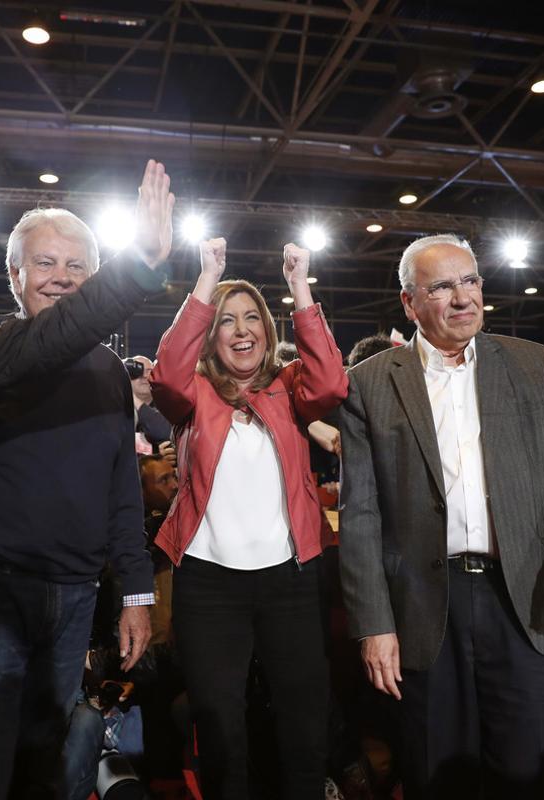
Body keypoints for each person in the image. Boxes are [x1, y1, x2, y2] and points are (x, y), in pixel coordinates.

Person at [338, 234, 544, 799]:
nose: (463, 297)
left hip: (527, 603)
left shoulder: (531, 363)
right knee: (439, 775)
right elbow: (361, 514)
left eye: (470, 281)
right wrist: (374, 624)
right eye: (442, 286)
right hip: (423, 610)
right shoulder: (369, 384)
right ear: (409, 302)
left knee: (536, 776)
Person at [0, 201, 170, 800]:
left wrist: (137, 595)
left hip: (74, 601)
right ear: (13, 274)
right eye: (44, 262)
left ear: (94, 280)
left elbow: (122, 492)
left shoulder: (113, 375)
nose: (61, 276)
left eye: (76, 265)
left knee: (44, 761)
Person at [150, 238, 348, 799]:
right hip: (209, 582)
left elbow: (333, 383)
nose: (241, 330)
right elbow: (165, 376)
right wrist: (206, 280)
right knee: (217, 723)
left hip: (291, 577)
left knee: (304, 718)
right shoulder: (192, 395)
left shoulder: (290, 390)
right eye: (227, 321)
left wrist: (300, 289)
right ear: (212, 333)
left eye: (252, 319)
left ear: (267, 330)